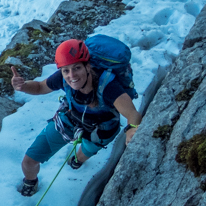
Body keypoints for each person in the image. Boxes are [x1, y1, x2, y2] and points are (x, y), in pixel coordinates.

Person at [11, 38, 139, 196]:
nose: (71, 75)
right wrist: (23, 86)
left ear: (87, 66)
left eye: (77, 68)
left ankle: (77, 161)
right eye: (66, 70)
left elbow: (132, 113)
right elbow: (39, 87)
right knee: (29, 161)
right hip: (70, 120)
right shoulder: (62, 78)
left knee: (83, 153)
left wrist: (132, 128)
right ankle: (30, 181)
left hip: (101, 130)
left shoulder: (108, 86)